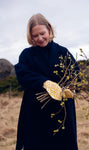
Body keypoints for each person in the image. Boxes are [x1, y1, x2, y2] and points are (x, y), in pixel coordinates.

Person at [15, 13, 79, 150]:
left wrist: (71, 89)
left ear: (49, 30)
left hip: (62, 112)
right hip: (35, 112)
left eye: (42, 33)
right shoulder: (26, 55)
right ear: (30, 36)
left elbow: (76, 74)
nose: (40, 38)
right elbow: (22, 74)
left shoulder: (63, 53)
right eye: (35, 36)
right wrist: (44, 82)